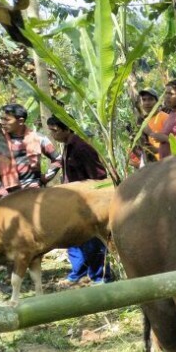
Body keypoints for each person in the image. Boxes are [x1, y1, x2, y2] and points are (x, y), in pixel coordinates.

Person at [45, 115, 111, 285]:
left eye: (55, 130)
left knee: (93, 240)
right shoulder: (67, 146)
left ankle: (99, 277)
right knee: (72, 238)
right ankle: (79, 273)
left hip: (87, 201)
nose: (53, 134)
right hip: (72, 202)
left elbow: (98, 176)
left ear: (66, 129)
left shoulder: (81, 148)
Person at [0, 103, 62, 198]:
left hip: (33, 193)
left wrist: (46, 177)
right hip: (6, 194)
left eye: (7, 119)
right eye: (1, 119)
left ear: (20, 121)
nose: (2, 122)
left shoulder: (38, 138)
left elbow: (58, 159)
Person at [143, 79, 176, 160]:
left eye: (171, 94)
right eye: (166, 93)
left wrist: (158, 136)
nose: (167, 97)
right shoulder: (173, 113)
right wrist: (157, 150)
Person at [135, 88, 167, 165]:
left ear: (157, 101)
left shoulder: (165, 117)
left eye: (150, 99)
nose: (147, 103)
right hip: (153, 164)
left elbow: (175, 141)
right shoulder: (145, 120)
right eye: (144, 100)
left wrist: (150, 133)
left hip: (167, 162)